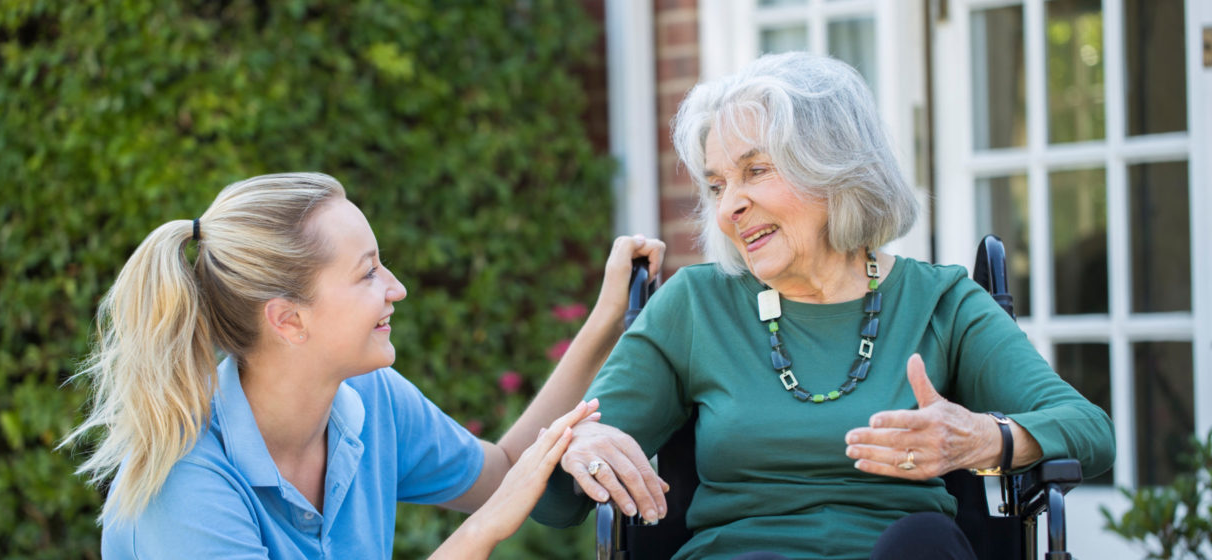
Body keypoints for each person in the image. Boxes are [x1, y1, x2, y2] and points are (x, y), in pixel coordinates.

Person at [530, 52, 1115, 560]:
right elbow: (555, 505)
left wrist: (985, 438)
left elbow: (1089, 431)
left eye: (755, 170)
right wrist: (577, 448)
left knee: (922, 547)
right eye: (716, 186)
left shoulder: (939, 300)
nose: (730, 206)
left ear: (834, 168)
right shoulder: (695, 306)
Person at [61, 172, 665, 558]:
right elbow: (498, 502)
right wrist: (483, 531)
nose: (396, 288)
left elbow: (502, 470)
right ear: (288, 320)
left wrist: (605, 320)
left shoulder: (368, 398)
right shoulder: (184, 487)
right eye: (368, 271)